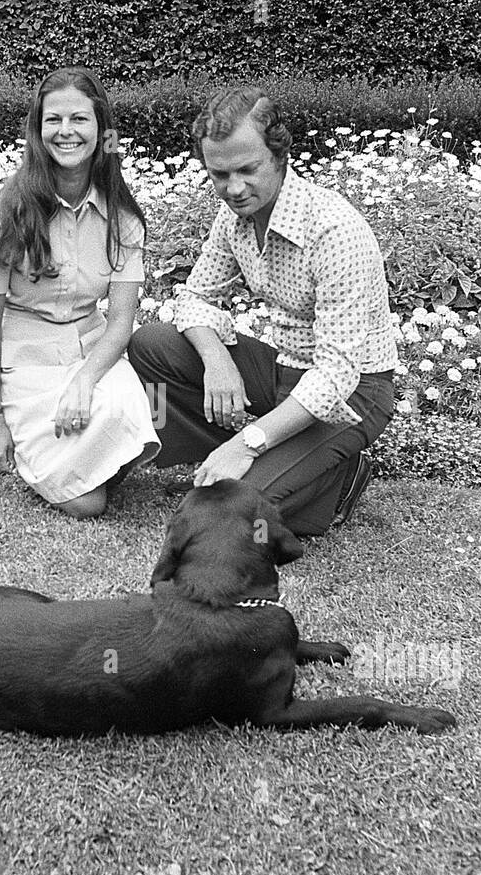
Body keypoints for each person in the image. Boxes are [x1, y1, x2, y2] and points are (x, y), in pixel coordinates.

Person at [127, 86, 398, 537]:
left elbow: (335, 376)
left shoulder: (335, 231)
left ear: (279, 155)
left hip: (353, 393)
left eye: (247, 170)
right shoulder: (234, 216)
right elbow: (194, 298)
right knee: (150, 346)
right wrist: (217, 363)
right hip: (284, 372)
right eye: (219, 174)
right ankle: (165, 444)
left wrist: (249, 442)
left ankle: (336, 478)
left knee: (229, 517)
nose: (233, 188)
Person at [0, 66, 160, 518]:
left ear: (100, 131)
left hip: (91, 355)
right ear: (38, 130)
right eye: (53, 120)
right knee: (88, 505)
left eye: (79, 119)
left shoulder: (123, 219)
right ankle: (62, 462)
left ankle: (88, 450)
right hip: (28, 365)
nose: (65, 132)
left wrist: (85, 380)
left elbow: (121, 323)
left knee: (128, 408)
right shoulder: (6, 214)